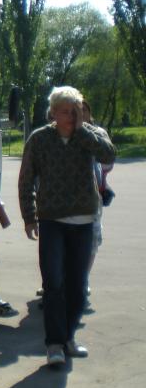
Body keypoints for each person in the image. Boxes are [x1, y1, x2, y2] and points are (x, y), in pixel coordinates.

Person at [18, 86, 115, 367]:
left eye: (76, 111)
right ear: (53, 113)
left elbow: (108, 155)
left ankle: (69, 337)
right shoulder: (39, 139)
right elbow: (26, 179)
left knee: (77, 285)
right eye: (66, 111)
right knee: (53, 283)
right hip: (52, 221)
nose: (72, 116)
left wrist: (83, 130)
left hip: (85, 220)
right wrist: (29, 216)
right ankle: (54, 344)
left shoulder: (90, 136)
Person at [81, 100, 114, 306]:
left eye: (84, 109)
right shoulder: (60, 134)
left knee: (91, 240)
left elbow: (108, 161)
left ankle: (82, 280)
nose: (80, 113)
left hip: (93, 198)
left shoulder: (98, 132)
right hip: (65, 201)